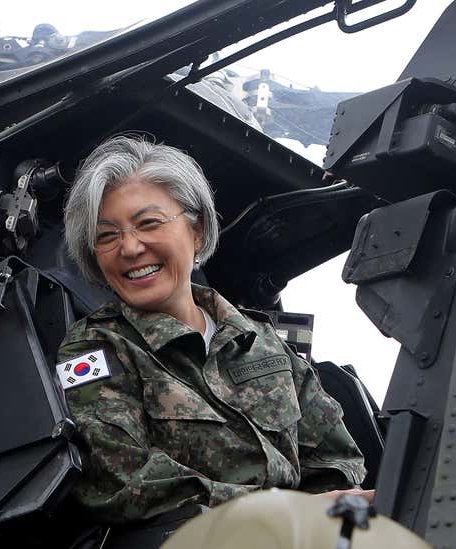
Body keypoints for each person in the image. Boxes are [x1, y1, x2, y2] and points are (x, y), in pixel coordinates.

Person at [55, 135, 371, 524]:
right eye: (107, 236)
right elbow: (120, 481)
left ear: (197, 231)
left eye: (148, 223)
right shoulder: (95, 351)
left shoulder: (262, 340)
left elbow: (335, 454)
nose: (130, 247)